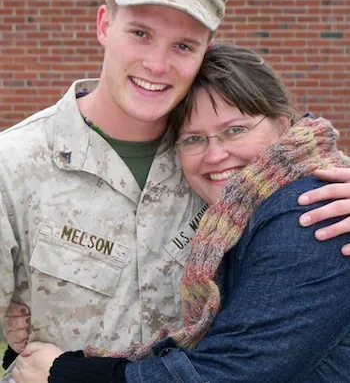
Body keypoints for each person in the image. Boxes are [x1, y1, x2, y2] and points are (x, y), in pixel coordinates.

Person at [8, 43, 350, 383]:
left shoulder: (310, 212)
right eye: (194, 139)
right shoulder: (234, 219)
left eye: (235, 130)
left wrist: (64, 373)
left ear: (281, 125)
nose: (215, 155)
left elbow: (235, 371)